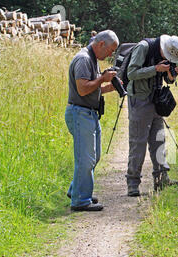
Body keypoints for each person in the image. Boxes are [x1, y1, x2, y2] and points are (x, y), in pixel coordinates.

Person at [65, 30, 119, 211]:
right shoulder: (83, 59)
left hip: (89, 114)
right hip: (80, 113)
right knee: (86, 159)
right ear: (101, 44)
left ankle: (77, 191)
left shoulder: (92, 58)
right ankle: (80, 202)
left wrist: (108, 87)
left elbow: (91, 88)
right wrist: (102, 78)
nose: (110, 55)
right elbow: (82, 89)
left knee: (93, 157)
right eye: (110, 50)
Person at [125, 35, 178, 196]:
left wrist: (171, 76)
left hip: (156, 99)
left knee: (159, 140)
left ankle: (161, 180)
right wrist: (155, 69)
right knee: (138, 142)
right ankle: (133, 184)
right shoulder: (144, 47)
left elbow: (167, 78)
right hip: (139, 100)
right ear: (165, 48)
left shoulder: (168, 54)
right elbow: (131, 73)